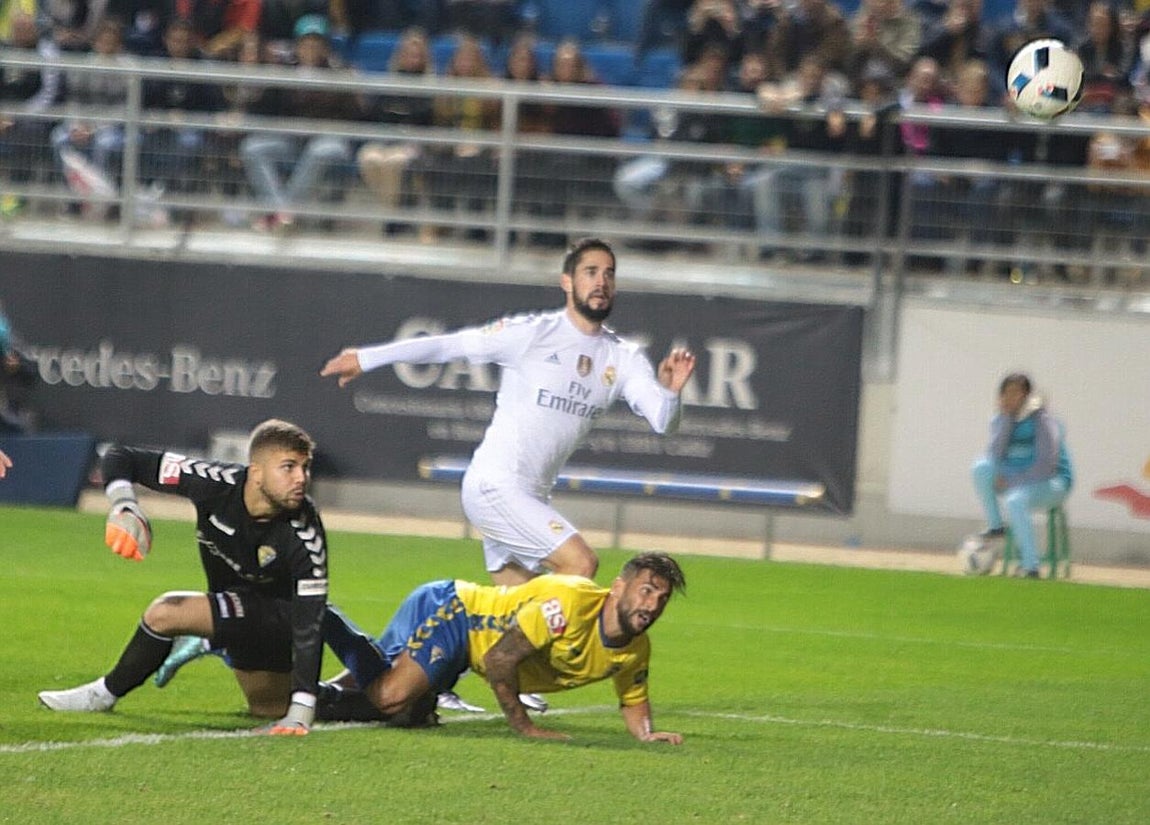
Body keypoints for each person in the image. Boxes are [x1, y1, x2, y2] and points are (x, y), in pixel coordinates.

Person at [321, 237, 696, 587]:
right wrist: (366, 358)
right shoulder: (532, 333)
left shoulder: (623, 356)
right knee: (581, 566)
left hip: (533, 498)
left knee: (522, 626)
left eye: (609, 274)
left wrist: (670, 392)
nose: (601, 282)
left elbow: (664, 421)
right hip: (495, 487)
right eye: (591, 272)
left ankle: (429, 657)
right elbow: (450, 346)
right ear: (567, 282)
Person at [37, 419, 330, 735]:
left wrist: (301, 711)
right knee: (268, 707)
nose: (301, 478)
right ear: (256, 472)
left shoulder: (304, 534)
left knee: (165, 612)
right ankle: (371, 700)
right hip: (237, 613)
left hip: (279, 617)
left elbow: (308, 624)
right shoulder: (214, 483)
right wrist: (125, 505)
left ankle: (103, 693)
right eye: (288, 467)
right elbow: (122, 457)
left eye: (305, 467)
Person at [318, 552, 687, 743]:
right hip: (456, 612)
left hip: (467, 645)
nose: (652, 606)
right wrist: (523, 726)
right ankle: (321, 613)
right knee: (390, 698)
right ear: (619, 588)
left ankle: (311, 698)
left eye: (662, 598)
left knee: (402, 710)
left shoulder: (636, 648)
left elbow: (633, 697)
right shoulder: (568, 605)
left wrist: (647, 734)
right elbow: (500, 659)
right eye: (646, 591)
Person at [971, 373, 1073, 578]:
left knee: (1015, 500)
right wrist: (1007, 419)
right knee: (981, 468)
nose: (1011, 397)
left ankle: (1031, 567)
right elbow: (995, 455)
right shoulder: (1001, 419)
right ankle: (996, 525)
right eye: (1006, 393)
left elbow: (1046, 465)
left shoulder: (1042, 420)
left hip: (1052, 482)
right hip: (1018, 477)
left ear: (1026, 395)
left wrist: (1012, 481)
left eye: (1016, 393)